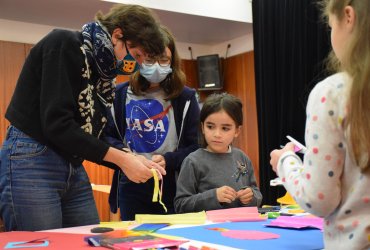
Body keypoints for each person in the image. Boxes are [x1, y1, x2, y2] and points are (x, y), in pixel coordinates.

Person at [0, 4, 167, 231]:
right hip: (32, 157)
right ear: (117, 35)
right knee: (44, 244)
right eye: (135, 55)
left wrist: (132, 157)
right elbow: (58, 125)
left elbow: (91, 135)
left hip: (72, 162)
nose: (134, 64)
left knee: (87, 239)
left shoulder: (102, 74)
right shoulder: (64, 43)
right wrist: (122, 160)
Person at [269, 0, 370, 249]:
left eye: (330, 25)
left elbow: (319, 199)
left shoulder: (333, 93)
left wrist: (285, 162)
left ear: (348, 16)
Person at [103, 26, 200, 220]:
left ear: (172, 61)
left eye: (163, 60)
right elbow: (107, 137)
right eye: (149, 59)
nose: (156, 65)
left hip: (172, 185)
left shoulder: (186, 97)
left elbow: (195, 146)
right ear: (138, 57)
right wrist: (126, 156)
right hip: (131, 185)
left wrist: (169, 160)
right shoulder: (119, 95)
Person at [174, 93, 262, 213]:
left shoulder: (242, 158)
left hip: (240, 225)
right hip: (207, 229)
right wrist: (214, 196)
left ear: (237, 131)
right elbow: (181, 205)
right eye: (210, 126)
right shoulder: (192, 161)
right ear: (202, 127)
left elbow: (257, 194)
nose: (217, 134)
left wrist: (251, 196)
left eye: (225, 128)